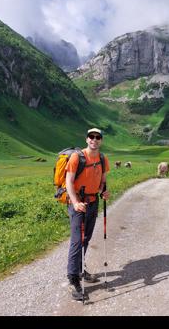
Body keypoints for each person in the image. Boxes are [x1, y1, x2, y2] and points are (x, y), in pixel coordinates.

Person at [65, 128, 110, 301]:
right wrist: (75, 202)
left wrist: (104, 192)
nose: (94, 139)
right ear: (86, 139)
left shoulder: (102, 158)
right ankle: (73, 278)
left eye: (98, 137)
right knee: (77, 240)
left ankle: (80, 269)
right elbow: (69, 181)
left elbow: (103, 181)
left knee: (86, 238)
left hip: (93, 202)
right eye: (91, 137)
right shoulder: (77, 157)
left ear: (101, 141)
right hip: (78, 204)